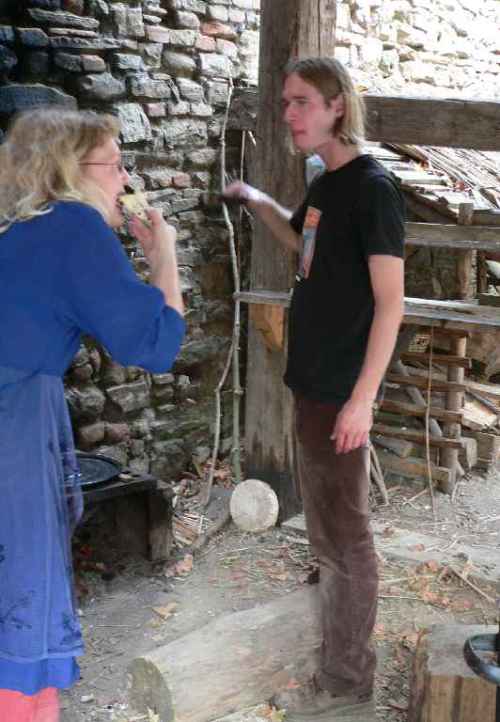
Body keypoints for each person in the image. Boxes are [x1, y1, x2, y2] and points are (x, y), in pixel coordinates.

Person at [225, 57, 405, 719]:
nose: (289, 114)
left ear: (337, 107)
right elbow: (299, 241)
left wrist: (362, 399)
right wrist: (255, 200)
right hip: (313, 385)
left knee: (347, 537)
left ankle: (347, 679)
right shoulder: (326, 184)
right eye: (285, 103)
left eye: (302, 101)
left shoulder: (373, 190)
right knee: (328, 529)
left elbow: (391, 303)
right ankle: (333, 640)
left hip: (339, 391)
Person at [0, 108, 185, 721]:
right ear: (71, 170)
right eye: (116, 165)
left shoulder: (19, 229)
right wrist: (165, 256)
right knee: (21, 587)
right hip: (11, 426)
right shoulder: (74, 227)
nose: (125, 180)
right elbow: (154, 343)